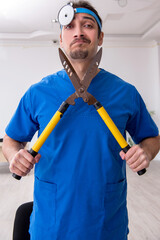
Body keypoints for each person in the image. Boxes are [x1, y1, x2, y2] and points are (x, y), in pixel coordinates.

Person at [2, 1, 160, 239]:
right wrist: (15, 156)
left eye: (88, 25)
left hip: (107, 226)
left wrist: (145, 153)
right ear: (61, 38)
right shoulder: (37, 93)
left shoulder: (125, 92)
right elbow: (11, 140)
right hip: (50, 227)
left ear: (100, 37)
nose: (78, 31)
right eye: (70, 26)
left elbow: (152, 138)